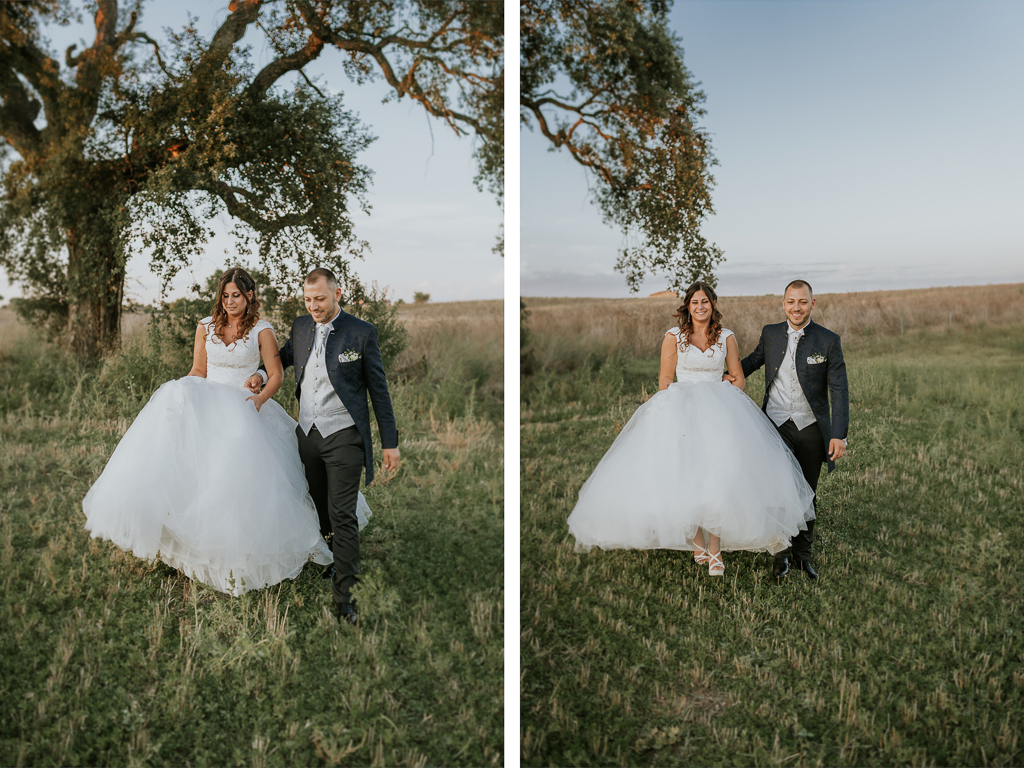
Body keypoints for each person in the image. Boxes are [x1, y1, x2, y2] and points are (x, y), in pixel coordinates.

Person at [83, 267, 371, 596]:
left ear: (249, 296)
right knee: (194, 476)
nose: (230, 301)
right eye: (225, 295)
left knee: (240, 484)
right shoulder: (205, 327)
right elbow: (198, 370)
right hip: (208, 405)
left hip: (247, 408)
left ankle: (253, 551)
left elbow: (275, 374)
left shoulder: (262, 330)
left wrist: (260, 399)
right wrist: (186, 394)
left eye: (237, 295)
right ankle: (193, 548)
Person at [567, 281, 816, 576]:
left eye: (705, 302)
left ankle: (715, 548)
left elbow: (738, 377)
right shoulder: (673, 337)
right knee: (687, 474)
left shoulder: (726, 336)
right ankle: (698, 541)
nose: (700, 307)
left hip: (720, 411)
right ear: (688, 306)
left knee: (718, 475)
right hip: (680, 411)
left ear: (713, 305)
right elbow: (664, 379)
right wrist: (670, 411)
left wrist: (724, 390)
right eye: (695, 302)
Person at [246, 268, 399, 626]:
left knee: (343, 513)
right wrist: (261, 375)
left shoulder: (362, 333)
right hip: (308, 435)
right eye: (308, 299)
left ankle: (346, 597)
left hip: (345, 436)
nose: (313, 306)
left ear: (337, 294)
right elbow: (281, 358)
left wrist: (390, 443)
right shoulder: (301, 327)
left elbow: (379, 392)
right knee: (318, 503)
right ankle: (332, 554)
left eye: (320, 299)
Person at [726, 279, 849, 581]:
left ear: (812, 303)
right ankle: (780, 556)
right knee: (777, 493)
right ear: (783, 304)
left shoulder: (827, 341)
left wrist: (838, 433)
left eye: (803, 302)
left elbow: (839, 389)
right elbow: (752, 362)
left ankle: (803, 556)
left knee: (806, 493)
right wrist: (716, 373)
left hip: (810, 427)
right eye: (791, 302)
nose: (796, 307)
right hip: (775, 426)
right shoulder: (770, 333)